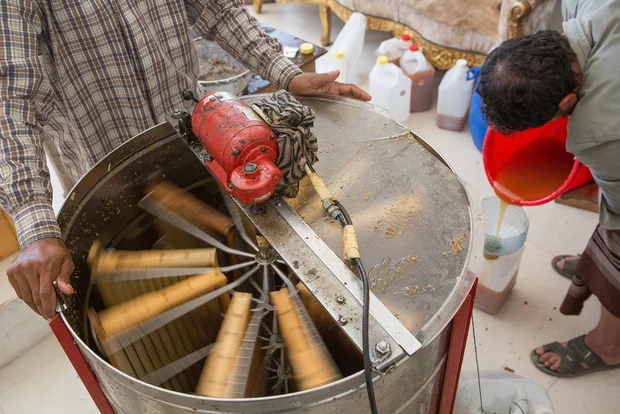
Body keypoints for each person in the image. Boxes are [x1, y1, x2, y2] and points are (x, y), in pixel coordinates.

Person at [1, 1, 370, 320]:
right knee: (151, 293)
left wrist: (284, 71)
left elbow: (217, 9)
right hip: (109, 174)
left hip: (196, 139)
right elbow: (11, 101)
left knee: (221, 252)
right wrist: (35, 226)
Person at [477, 0, 620, 377]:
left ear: (568, 101)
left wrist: (600, 190)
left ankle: (608, 346)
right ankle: (591, 267)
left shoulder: (600, 132)